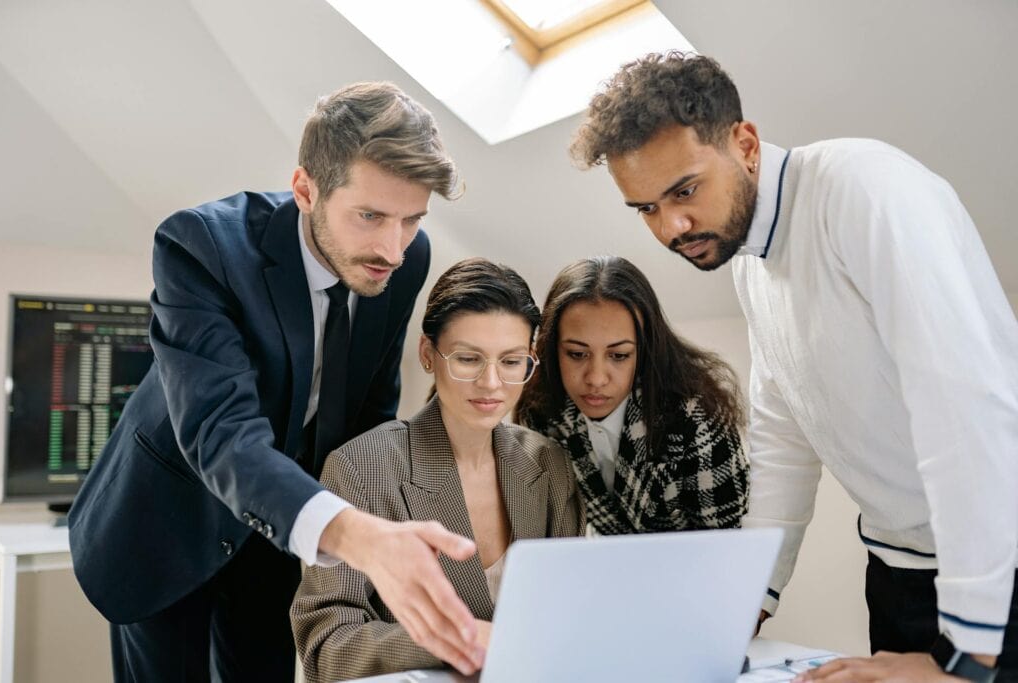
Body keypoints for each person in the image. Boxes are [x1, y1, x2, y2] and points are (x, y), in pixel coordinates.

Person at [570, 51, 1018, 682]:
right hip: (901, 570)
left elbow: (967, 408)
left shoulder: (863, 190)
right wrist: (750, 598)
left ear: (745, 144)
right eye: (644, 208)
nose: (671, 226)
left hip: (1001, 565)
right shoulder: (751, 262)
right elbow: (785, 437)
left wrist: (970, 663)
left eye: (685, 190)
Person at [67, 81, 487, 681]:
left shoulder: (406, 256)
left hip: (282, 534)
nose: (392, 250)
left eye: (412, 220)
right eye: (370, 216)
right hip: (166, 522)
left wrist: (383, 534)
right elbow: (221, 433)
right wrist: (361, 539)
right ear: (305, 190)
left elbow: (368, 409)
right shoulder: (200, 246)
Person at [290, 257, 585, 682]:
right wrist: (453, 639)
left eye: (511, 361)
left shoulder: (548, 464)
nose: (491, 383)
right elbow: (327, 646)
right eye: (468, 359)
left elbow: (570, 615)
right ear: (429, 354)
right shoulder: (361, 468)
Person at [515, 255, 748, 535]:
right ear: (552, 349)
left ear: (646, 350)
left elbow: (727, 547)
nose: (596, 378)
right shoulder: (541, 411)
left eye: (619, 355)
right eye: (577, 354)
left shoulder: (696, 416)